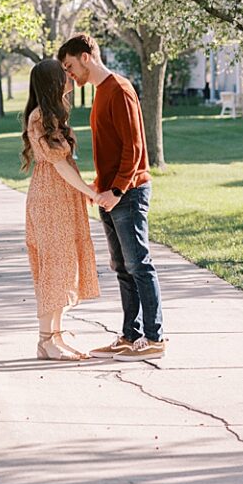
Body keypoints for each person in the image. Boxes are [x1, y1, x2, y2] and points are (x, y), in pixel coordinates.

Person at [58, 34, 165, 361]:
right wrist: (100, 186)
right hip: (111, 193)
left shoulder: (119, 89)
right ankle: (130, 335)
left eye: (70, 66)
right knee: (122, 266)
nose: (70, 74)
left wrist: (117, 189)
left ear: (86, 57)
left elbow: (134, 148)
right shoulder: (101, 93)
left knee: (139, 264)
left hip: (128, 193)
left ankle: (154, 338)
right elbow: (113, 148)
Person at [22, 58, 100, 361]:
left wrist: (83, 190)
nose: (69, 77)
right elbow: (57, 163)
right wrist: (88, 190)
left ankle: (55, 335)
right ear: (52, 82)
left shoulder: (54, 114)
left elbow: (68, 163)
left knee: (65, 265)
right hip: (50, 197)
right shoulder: (39, 117)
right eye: (63, 74)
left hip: (63, 196)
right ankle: (45, 341)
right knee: (53, 268)